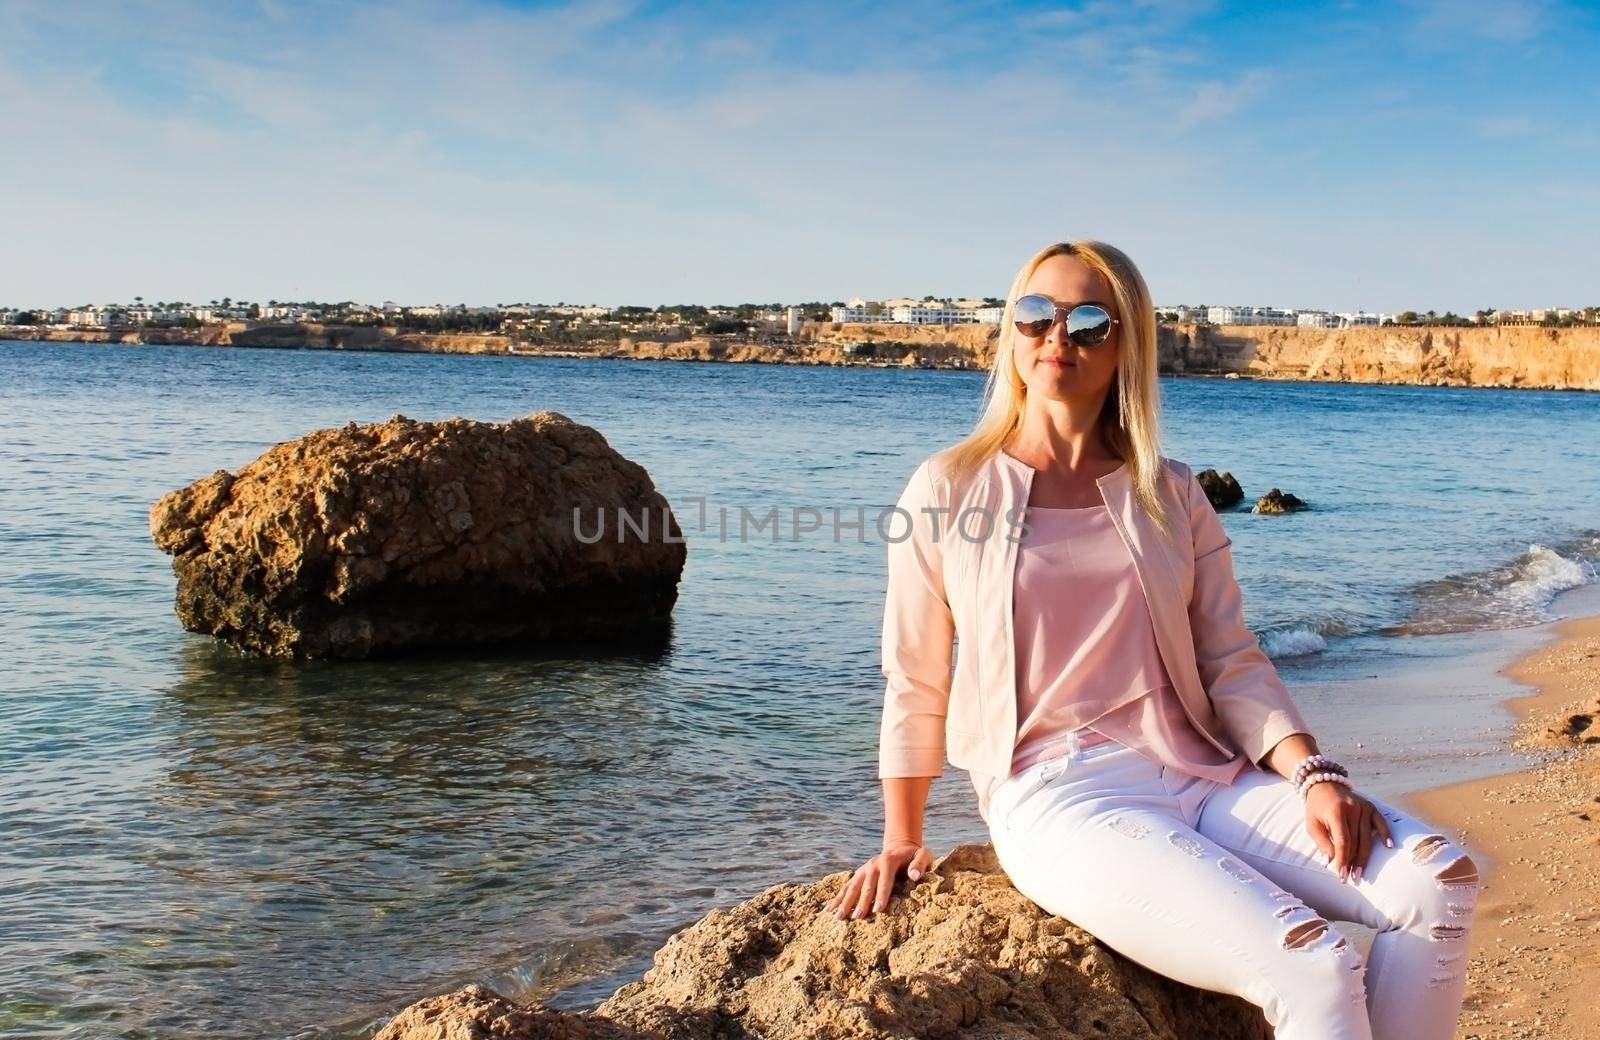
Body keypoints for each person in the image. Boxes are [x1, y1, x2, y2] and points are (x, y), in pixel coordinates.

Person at [826, 241, 1481, 1040]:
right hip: (1058, 795)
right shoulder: (948, 487)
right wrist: (903, 836)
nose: (1056, 338)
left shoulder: (1170, 493)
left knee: (1438, 881)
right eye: (1036, 315)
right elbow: (915, 677)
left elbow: (1232, 659)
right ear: (1011, 332)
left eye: (1089, 322)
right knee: (1313, 963)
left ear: (1128, 344)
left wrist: (1310, 773)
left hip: (1204, 773)